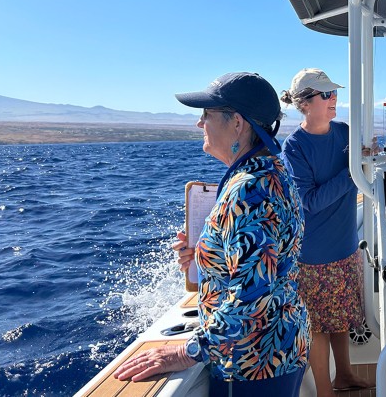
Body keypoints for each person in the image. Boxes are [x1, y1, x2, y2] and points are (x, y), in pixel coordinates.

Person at [114, 72, 310, 396]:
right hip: (278, 348)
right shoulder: (268, 170)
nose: (199, 123)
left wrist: (187, 351)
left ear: (237, 123)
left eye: (206, 114)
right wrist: (204, 255)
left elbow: (253, 296)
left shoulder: (250, 190)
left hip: (253, 363)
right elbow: (257, 263)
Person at [279, 68, 376, 397]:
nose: (333, 98)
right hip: (314, 255)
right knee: (318, 327)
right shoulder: (294, 147)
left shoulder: (345, 132)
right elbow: (310, 202)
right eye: (325, 94)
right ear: (304, 103)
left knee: (341, 317)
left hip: (345, 245)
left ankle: (345, 375)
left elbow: (361, 171)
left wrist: (367, 158)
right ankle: (324, 391)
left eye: (333, 93)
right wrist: (353, 171)